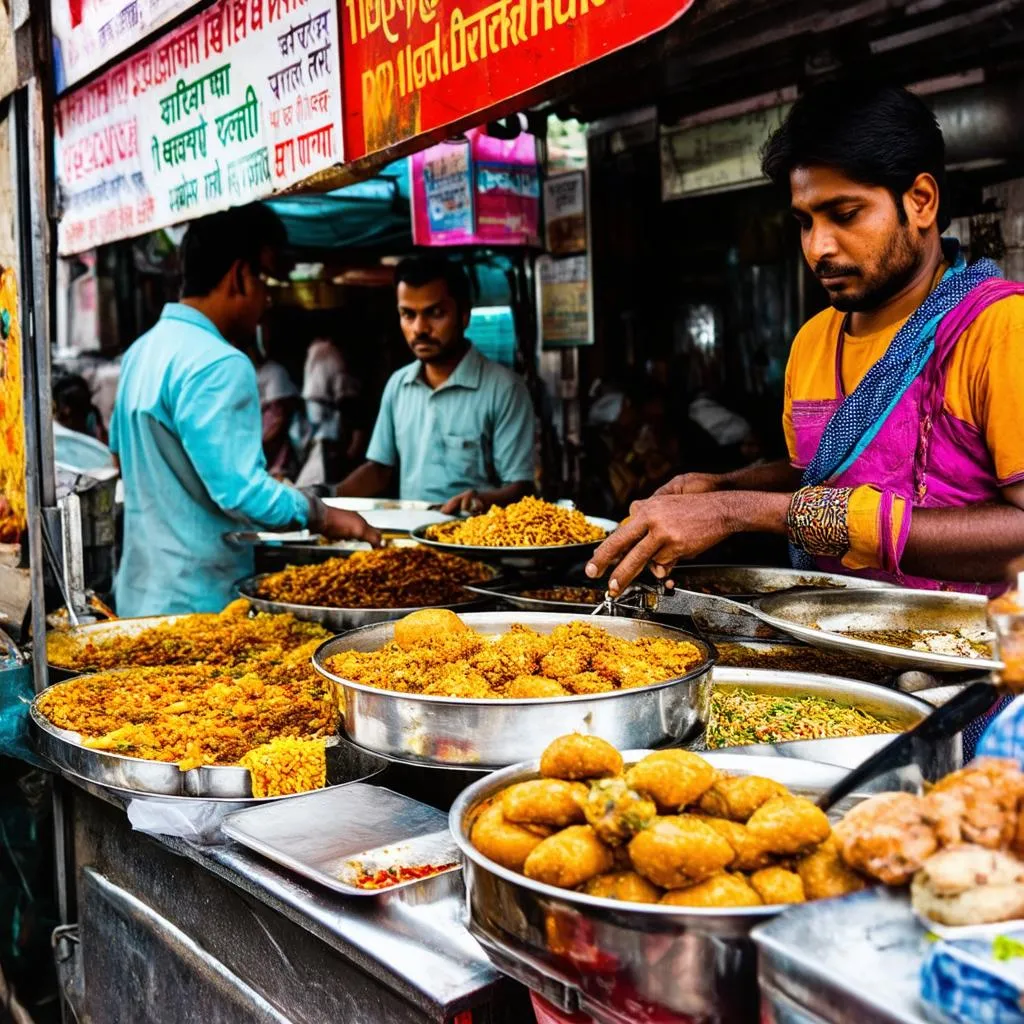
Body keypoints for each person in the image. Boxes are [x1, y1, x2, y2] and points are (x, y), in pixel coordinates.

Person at [587, 81, 1024, 595]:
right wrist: (722, 488)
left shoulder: (999, 329)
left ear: (921, 201)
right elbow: (819, 479)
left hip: (974, 658)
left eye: (844, 215)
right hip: (841, 642)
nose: (818, 248)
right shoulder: (814, 340)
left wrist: (736, 510)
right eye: (804, 221)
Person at [110, 204, 378, 616]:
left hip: (137, 595)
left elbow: (120, 458)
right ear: (240, 275)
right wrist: (324, 514)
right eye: (265, 280)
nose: (268, 299)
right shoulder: (220, 363)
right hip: (201, 605)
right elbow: (242, 494)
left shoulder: (141, 352)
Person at [337, 255, 535, 513]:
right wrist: (325, 497)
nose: (419, 328)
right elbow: (379, 470)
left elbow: (521, 488)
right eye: (408, 315)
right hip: (412, 541)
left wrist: (479, 501)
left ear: (464, 315)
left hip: (478, 542)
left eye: (435, 313)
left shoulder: (505, 389)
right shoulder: (398, 385)